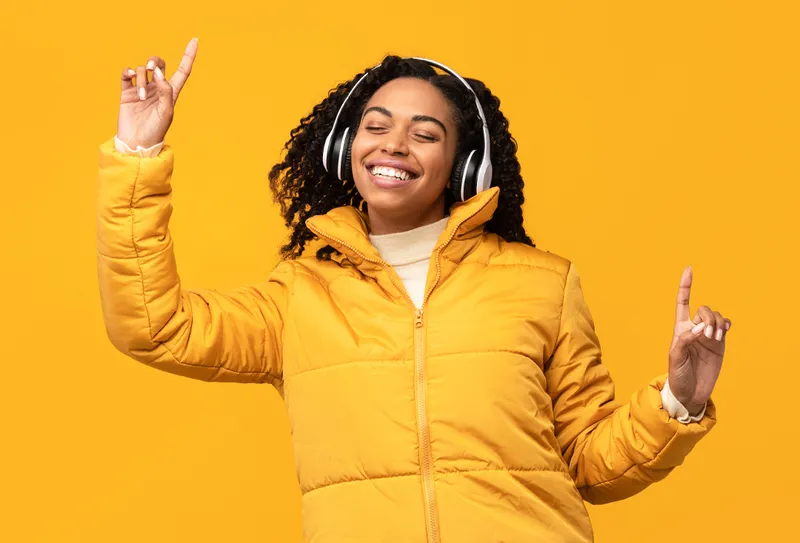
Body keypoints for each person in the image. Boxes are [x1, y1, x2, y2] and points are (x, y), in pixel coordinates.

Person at [96, 38, 732, 542]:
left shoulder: (543, 283)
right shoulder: (299, 295)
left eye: (425, 133)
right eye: (376, 127)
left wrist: (676, 401)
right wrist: (137, 153)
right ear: (348, 146)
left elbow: (592, 465)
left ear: (464, 163)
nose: (394, 145)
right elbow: (155, 326)